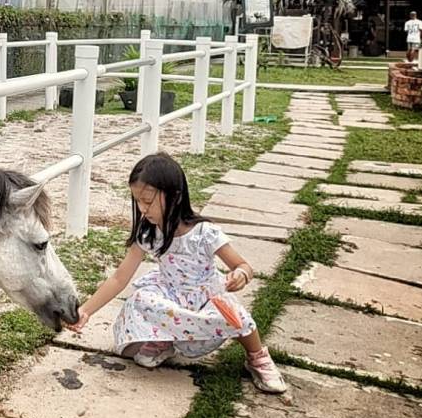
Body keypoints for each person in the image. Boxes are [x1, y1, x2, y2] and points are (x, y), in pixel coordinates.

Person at [65, 153, 286, 394]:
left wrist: (240, 275)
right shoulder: (149, 233)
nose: (142, 209)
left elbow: (243, 266)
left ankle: (257, 357)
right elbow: (120, 277)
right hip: (170, 295)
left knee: (236, 316)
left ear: (175, 195)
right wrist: (85, 311)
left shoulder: (204, 233)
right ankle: (164, 340)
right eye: (137, 201)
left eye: (148, 201)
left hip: (205, 298)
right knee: (141, 299)